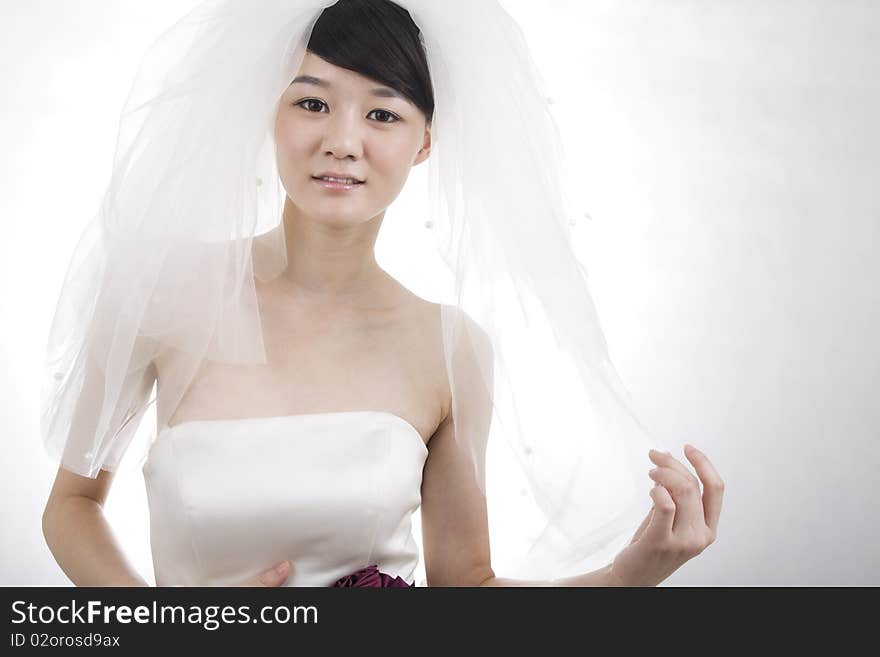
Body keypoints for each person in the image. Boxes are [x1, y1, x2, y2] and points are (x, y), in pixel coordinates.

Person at [41, 0, 724, 587]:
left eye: (383, 114)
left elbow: (468, 586)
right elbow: (71, 504)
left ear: (425, 141)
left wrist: (626, 575)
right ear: (268, 114)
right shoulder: (161, 295)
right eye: (312, 102)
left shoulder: (449, 348)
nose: (342, 141)